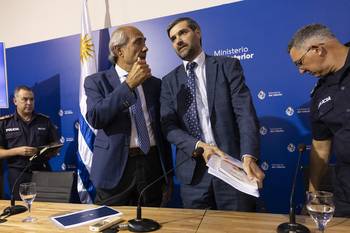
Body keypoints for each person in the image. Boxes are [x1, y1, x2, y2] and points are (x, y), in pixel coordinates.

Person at [160, 17, 265, 210]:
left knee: (238, 226)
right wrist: (198, 145)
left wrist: (248, 156)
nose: (178, 41)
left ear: (197, 32)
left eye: (183, 33)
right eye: (173, 38)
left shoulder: (227, 66)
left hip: (231, 167)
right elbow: (169, 127)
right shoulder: (168, 82)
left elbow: (245, 114)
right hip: (193, 174)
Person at [84, 25, 172, 206]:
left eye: (145, 42)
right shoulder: (96, 81)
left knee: (151, 221)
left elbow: (162, 132)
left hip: (151, 166)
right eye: (138, 42)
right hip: (114, 169)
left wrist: (167, 174)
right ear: (118, 50)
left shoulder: (155, 84)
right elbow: (96, 117)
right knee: (111, 223)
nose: (145, 48)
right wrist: (128, 86)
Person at [288, 24, 350, 217]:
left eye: (299, 62)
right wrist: (312, 195)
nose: (301, 71)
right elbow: (321, 148)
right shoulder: (320, 93)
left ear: (317, 49)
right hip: (346, 194)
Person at [0, 86, 59, 199]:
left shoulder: (44, 121)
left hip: (42, 171)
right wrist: (17, 151)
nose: (29, 103)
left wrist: (44, 151)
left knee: (47, 207)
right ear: (15, 101)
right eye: (25, 99)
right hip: (18, 174)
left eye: (32, 99)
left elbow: (55, 146)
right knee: (22, 209)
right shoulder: (5, 123)